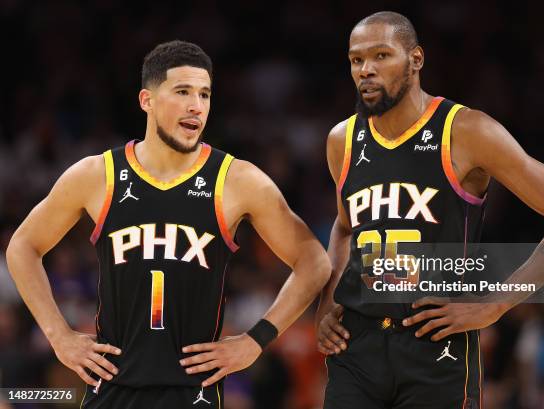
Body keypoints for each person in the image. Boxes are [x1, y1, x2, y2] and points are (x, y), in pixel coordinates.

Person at [6, 40, 331, 408]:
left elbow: (314, 261)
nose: (197, 105)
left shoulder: (238, 180)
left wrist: (256, 339)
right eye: (183, 92)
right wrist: (58, 334)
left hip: (193, 393)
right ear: (147, 100)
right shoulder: (98, 175)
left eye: (205, 94)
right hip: (112, 388)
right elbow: (22, 247)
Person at [315, 11, 544, 409]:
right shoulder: (342, 140)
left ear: (416, 59)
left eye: (381, 56)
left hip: (436, 344)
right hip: (357, 347)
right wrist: (328, 301)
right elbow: (346, 228)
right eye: (356, 60)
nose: (366, 69)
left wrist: (497, 303)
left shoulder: (466, 130)